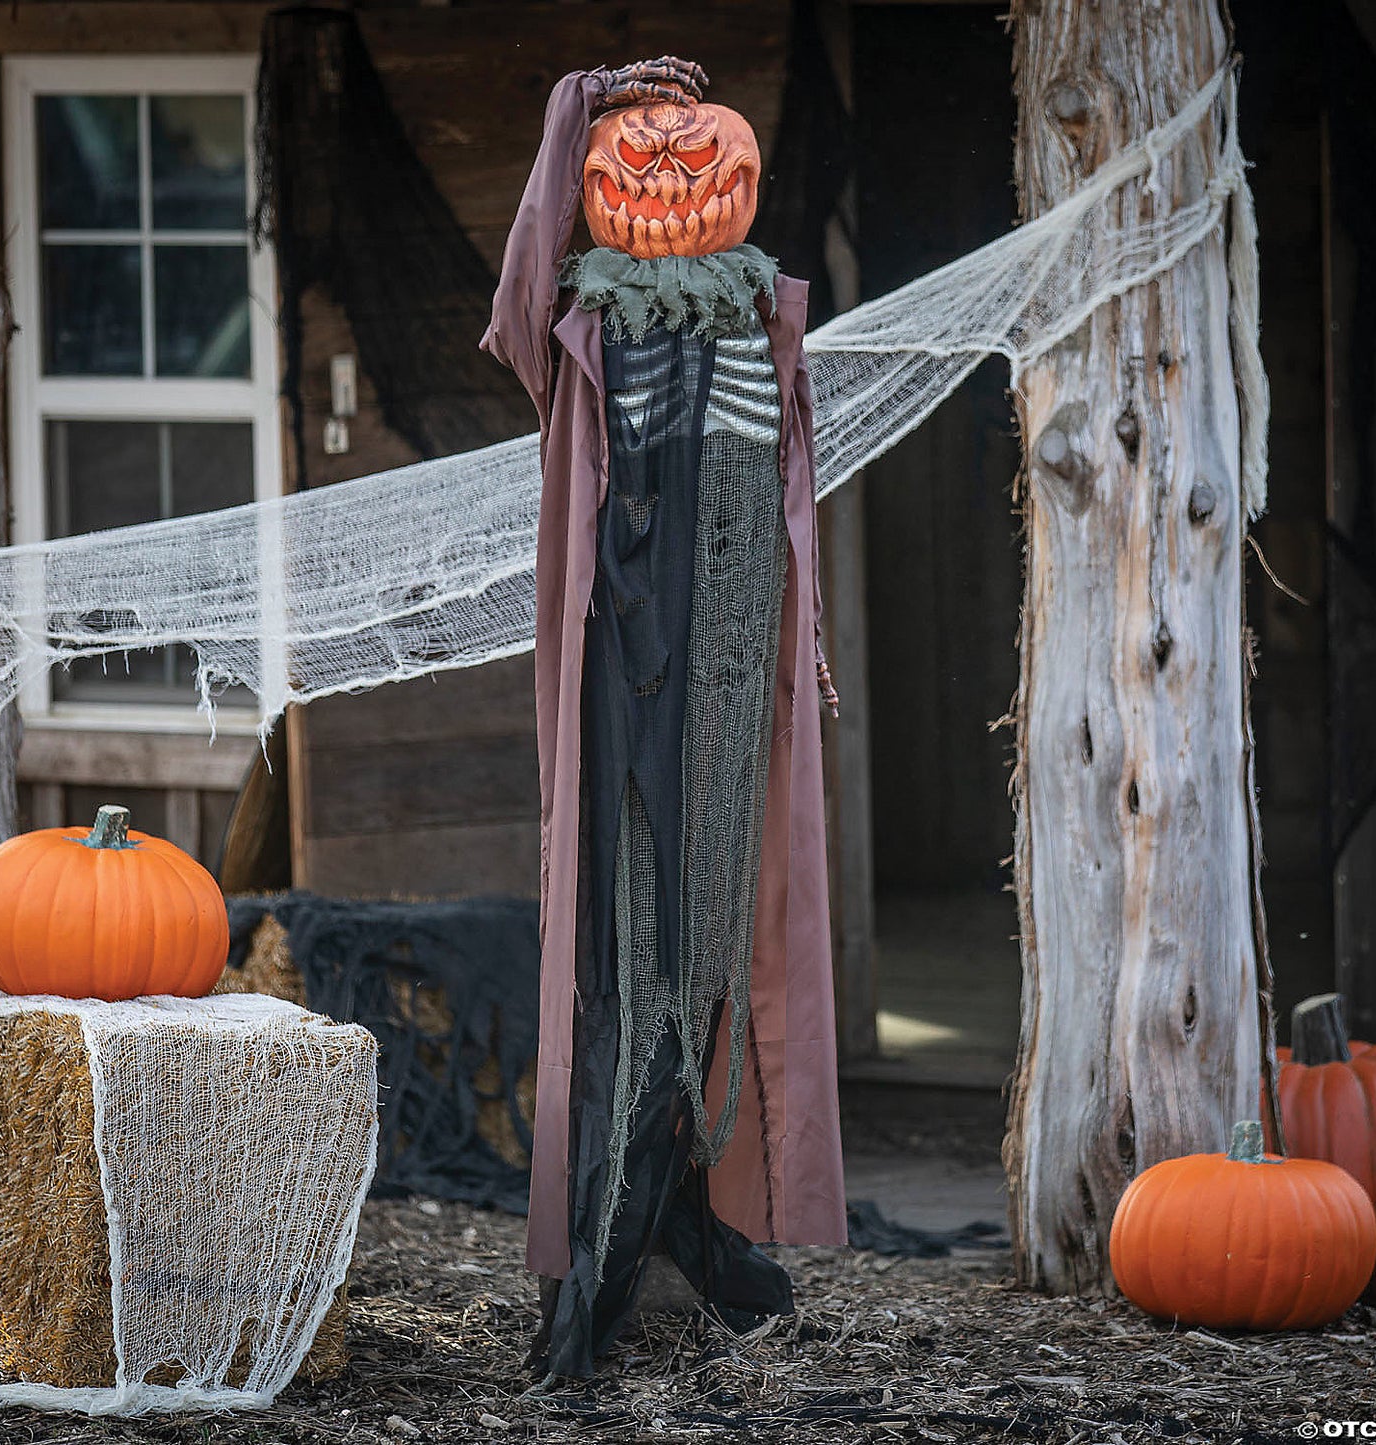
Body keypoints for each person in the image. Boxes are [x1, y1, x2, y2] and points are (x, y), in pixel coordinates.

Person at [482, 56, 845, 1380]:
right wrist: (575, 98)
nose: (672, 160)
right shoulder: (576, 330)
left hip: (733, 687)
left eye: (691, 143)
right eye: (639, 144)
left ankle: (685, 1218)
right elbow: (524, 276)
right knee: (630, 968)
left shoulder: (763, 324)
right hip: (625, 677)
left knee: (713, 960)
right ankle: (602, 1260)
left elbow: (787, 520)